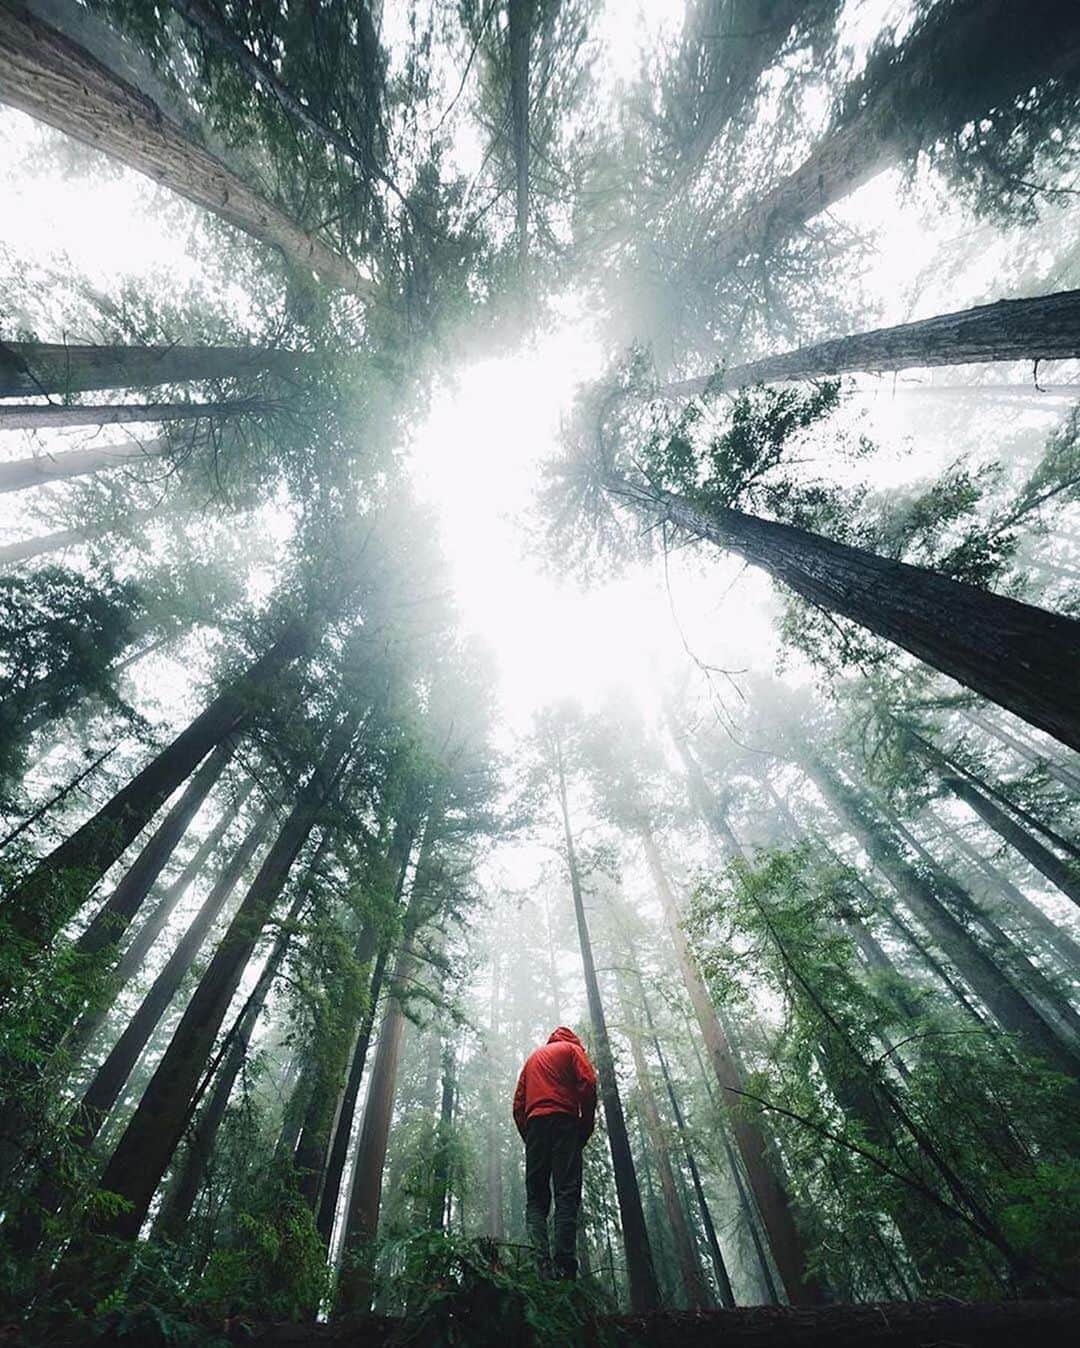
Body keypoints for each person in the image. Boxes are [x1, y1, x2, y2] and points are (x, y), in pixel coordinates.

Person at [512, 1026, 598, 1279]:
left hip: (536, 1125)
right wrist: (586, 1124)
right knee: (566, 1193)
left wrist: (530, 1136)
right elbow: (589, 1083)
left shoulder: (532, 1059)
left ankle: (541, 1266)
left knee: (536, 1200)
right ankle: (565, 1268)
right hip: (564, 1123)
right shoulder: (572, 1050)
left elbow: (518, 1105)